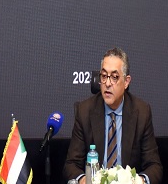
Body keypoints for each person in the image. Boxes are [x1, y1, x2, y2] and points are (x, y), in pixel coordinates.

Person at [64, 47, 162, 184]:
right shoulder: (85, 111)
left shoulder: (141, 112)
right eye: (104, 76)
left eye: (114, 77)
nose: (108, 83)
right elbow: (71, 164)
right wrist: (85, 180)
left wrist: (138, 181)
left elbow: (154, 166)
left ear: (126, 82)